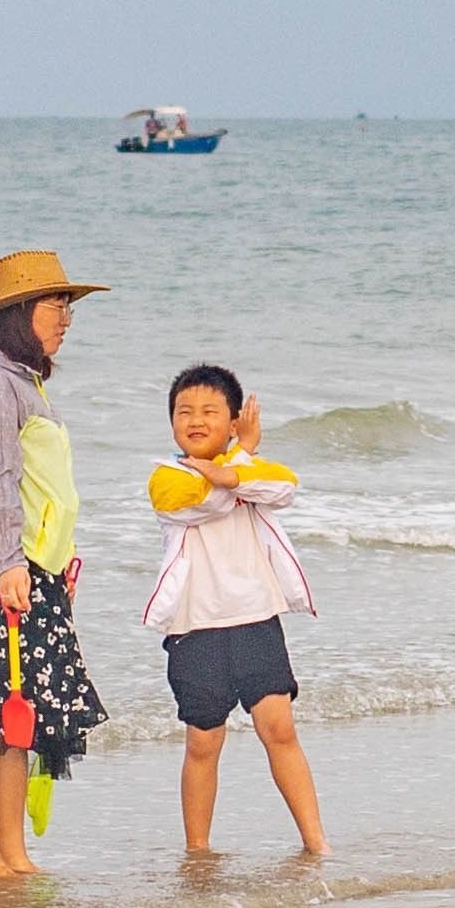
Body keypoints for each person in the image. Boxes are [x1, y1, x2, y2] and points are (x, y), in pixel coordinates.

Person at [0, 250, 112, 880]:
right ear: (19, 313)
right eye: (55, 304)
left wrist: (55, 568)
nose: (67, 318)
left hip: (32, 566)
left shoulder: (23, 378)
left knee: (20, 715)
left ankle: (14, 855)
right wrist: (10, 563)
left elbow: (44, 487)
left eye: (68, 305)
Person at [141, 362, 327, 856]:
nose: (195, 420)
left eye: (209, 411)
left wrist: (237, 462)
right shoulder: (167, 476)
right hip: (195, 630)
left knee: (280, 729)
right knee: (204, 743)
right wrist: (234, 467)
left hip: (256, 621)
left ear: (234, 420)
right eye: (184, 411)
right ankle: (197, 852)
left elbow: (284, 486)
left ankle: (317, 843)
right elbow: (208, 504)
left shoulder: (249, 468)